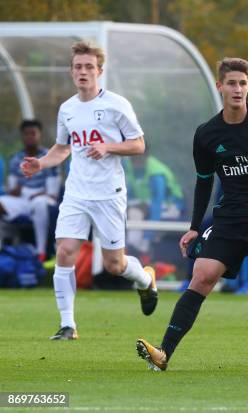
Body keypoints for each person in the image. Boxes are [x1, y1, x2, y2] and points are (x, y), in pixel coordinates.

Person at [136, 57, 248, 371]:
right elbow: (204, 183)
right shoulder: (207, 134)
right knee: (202, 276)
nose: (238, 89)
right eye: (231, 83)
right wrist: (193, 227)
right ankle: (163, 354)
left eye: (243, 83)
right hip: (229, 217)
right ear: (220, 87)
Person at [20, 41, 158, 341]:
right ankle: (68, 325)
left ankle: (145, 281)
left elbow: (138, 144)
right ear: (71, 72)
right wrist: (41, 164)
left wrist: (108, 146)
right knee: (65, 251)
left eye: (88, 67)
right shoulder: (67, 109)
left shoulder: (116, 105)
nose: (83, 72)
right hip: (77, 193)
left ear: (99, 71)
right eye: (78, 67)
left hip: (109, 193)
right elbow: (62, 147)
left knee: (114, 264)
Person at [0, 120, 60, 262]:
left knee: (39, 203)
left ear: (39, 135)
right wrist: (15, 189)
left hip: (44, 198)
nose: (29, 137)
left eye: (33, 133)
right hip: (23, 199)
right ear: (22, 136)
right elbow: (12, 190)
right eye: (26, 134)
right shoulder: (16, 159)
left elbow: (53, 192)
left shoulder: (49, 156)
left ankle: (41, 253)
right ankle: (3, 249)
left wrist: (41, 193)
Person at [124, 150, 185, 259]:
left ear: (146, 156)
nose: (136, 162)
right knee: (131, 211)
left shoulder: (156, 173)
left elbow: (157, 204)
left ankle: (139, 248)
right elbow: (130, 196)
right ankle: (132, 247)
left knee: (135, 212)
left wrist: (148, 236)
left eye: (139, 158)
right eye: (133, 158)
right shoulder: (128, 165)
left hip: (172, 206)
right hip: (147, 203)